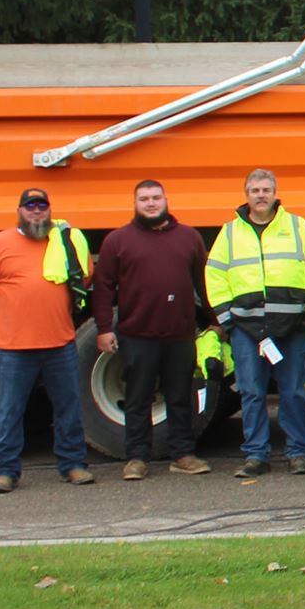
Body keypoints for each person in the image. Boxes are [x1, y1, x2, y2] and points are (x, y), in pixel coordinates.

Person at [0, 187, 95, 493]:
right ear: (19, 211)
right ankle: (4, 471)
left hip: (60, 344)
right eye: (30, 206)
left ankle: (73, 465)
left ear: (50, 210)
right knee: (9, 411)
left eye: (42, 206)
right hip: (15, 347)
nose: (37, 211)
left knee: (68, 409)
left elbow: (83, 278)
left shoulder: (64, 242)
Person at [90, 178, 211, 479]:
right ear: (135, 203)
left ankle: (182, 454)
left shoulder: (190, 238)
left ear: (166, 200)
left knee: (180, 397)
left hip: (180, 334)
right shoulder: (117, 241)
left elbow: (204, 284)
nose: (151, 203)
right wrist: (104, 328)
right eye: (144, 199)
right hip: (137, 335)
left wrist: (216, 323)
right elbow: (103, 288)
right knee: (138, 399)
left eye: (156, 197)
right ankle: (136, 458)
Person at [208, 169, 305, 477]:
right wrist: (228, 320)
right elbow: (214, 275)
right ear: (246, 195)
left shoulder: (297, 226)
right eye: (255, 190)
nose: (261, 195)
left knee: (293, 391)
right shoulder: (230, 232)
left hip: (291, 326)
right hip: (246, 328)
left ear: (275, 193)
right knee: (252, 392)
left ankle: (298, 453)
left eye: (266, 190)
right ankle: (256, 455)